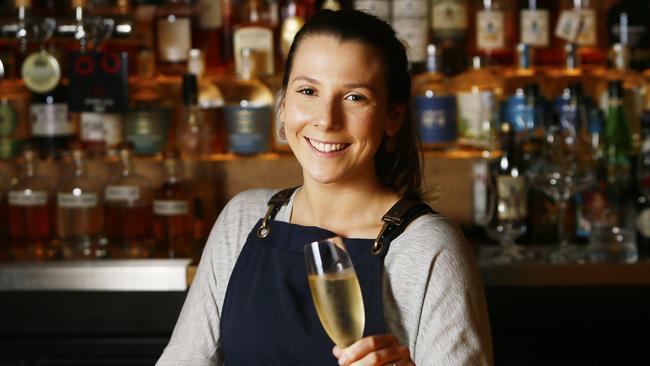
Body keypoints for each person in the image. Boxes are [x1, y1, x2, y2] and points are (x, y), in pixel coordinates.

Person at [157, 9, 492, 366]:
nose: (326, 119)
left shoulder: (428, 248)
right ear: (283, 106)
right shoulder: (244, 219)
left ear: (393, 116)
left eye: (354, 97)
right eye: (308, 91)